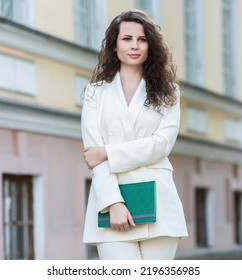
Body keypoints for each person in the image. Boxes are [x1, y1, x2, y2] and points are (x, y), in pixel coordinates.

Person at [81, 9, 188, 260]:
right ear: (114, 44)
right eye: (127, 38)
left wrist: (108, 152)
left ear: (151, 45)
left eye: (142, 39)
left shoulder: (169, 92)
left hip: (160, 203)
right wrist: (113, 203)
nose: (134, 46)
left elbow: (161, 145)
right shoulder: (94, 93)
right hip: (110, 202)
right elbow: (92, 156)